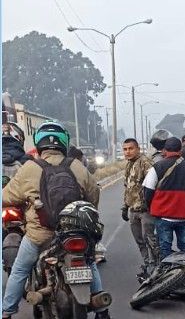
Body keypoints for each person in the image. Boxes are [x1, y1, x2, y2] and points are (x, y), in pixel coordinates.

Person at [1, 121, 111, 319]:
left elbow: (7, 197)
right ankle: (103, 311)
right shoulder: (77, 166)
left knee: (19, 270)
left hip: (39, 235)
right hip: (75, 233)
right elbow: (93, 195)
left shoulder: (29, 168)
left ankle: (7, 312)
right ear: (64, 142)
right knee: (89, 262)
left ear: (38, 143)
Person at [143, 137, 185, 260]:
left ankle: (167, 275)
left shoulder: (156, 167)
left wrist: (152, 208)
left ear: (164, 151)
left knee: (165, 250)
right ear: (180, 151)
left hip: (163, 216)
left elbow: (148, 191)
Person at [120, 138, 158, 280]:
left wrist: (149, 205)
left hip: (146, 211)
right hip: (133, 210)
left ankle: (157, 268)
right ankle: (148, 266)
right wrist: (125, 207)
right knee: (140, 241)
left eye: (130, 148)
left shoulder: (145, 163)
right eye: (125, 149)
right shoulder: (129, 165)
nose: (127, 152)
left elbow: (153, 185)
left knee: (150, 240)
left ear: (138, 149)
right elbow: (128, 188)